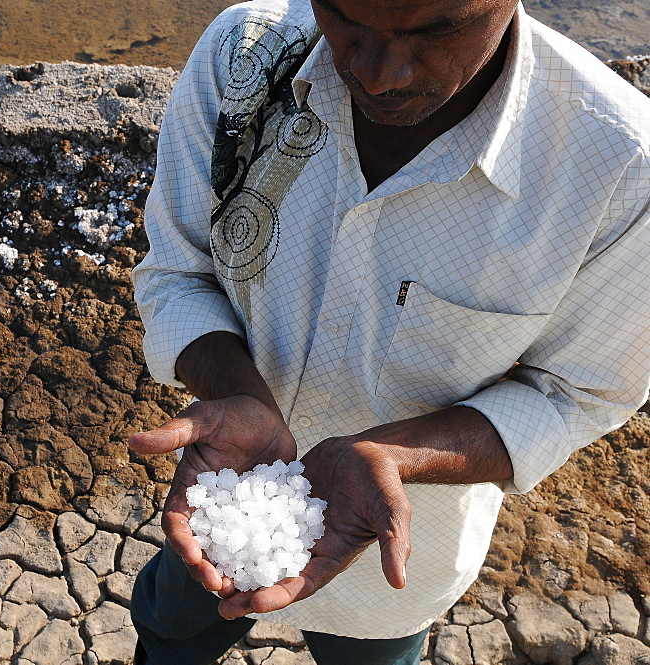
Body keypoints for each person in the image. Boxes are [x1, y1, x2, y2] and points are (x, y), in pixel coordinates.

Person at [128, 0, 650, 662]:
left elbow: (576, 393)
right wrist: (239, 392)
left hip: (397, 569)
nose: (378, 75)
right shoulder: (244, 57)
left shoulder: (621, 169)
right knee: (172, 632)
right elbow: (179, 272)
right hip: (220, 512)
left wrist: (400, 455)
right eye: (346, 16)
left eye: (436, 31)